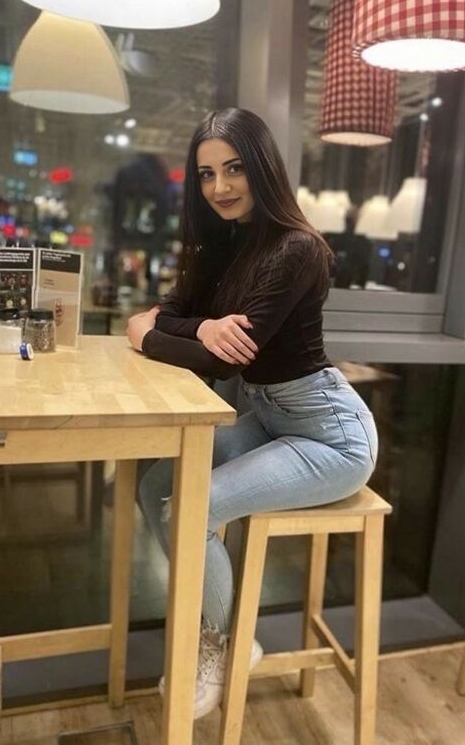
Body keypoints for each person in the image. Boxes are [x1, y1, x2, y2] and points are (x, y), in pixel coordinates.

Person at [126, 108, 378, 719]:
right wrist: (195, 326)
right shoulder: (224, 243)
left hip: (330, 436)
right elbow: (177, 316)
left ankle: (217, 640)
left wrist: (148, 335)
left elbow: (221, 360)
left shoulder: (298, 249)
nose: (220, 187)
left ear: (263, 167)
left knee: (196, 506)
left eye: (234, 168)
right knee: (154, 485)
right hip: (269, 418)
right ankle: (214, 615)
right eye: (207, 173)